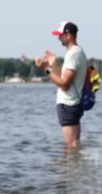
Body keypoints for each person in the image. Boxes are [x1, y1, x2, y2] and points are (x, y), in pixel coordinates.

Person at [35, 21, 88, 149]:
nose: (58, 38)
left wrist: (45, 68)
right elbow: (63, 78)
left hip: (68, 105)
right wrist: (53, 64)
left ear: (68, 35)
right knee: (74, 146)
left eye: (60, 35)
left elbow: (64, 84)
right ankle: (74, 168)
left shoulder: (73, 54)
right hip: (73, 104)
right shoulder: (77, 52)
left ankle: (69, 168)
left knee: (70, 147)